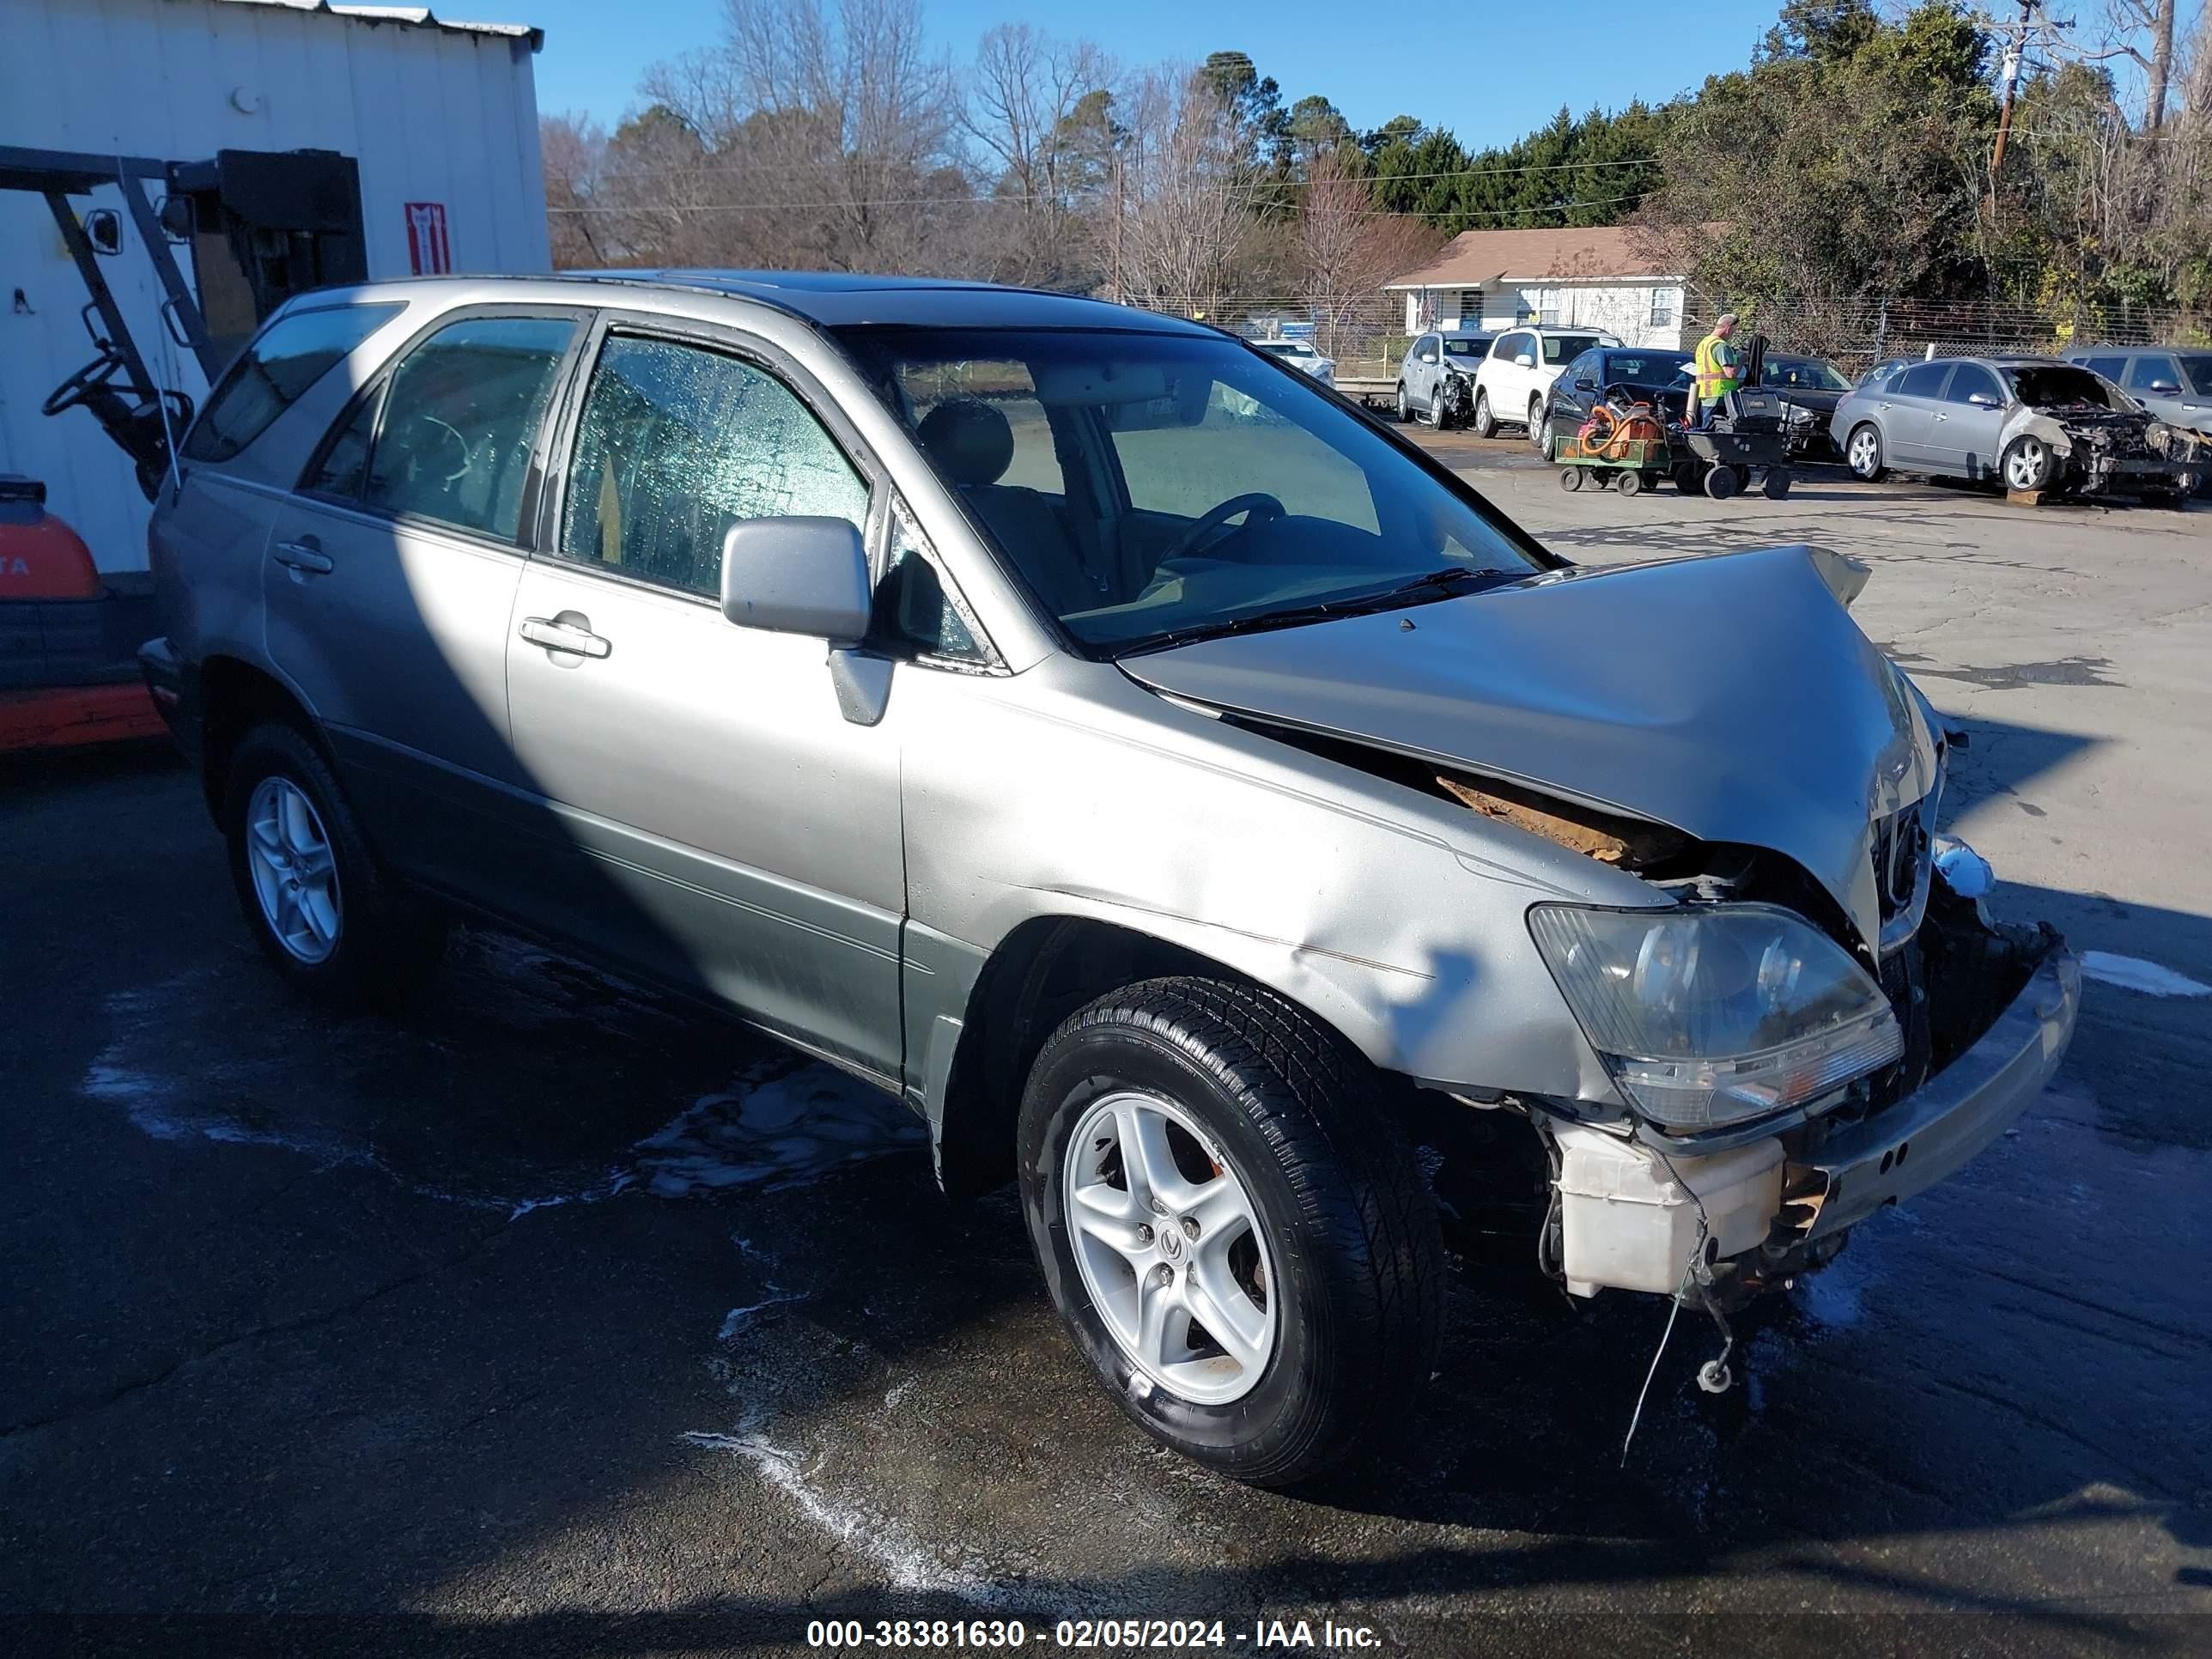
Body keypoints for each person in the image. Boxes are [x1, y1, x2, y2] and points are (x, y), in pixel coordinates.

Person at [1689, 313, 1745, 428]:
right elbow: (1731, 373)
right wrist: (1743, 360)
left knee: (1706, 430)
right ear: (1728, 328)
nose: (1732, 335)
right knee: (1719, 433)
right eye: (1733, 332)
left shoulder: (1704, 344)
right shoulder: (1721, 346)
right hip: (1721, 396)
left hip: (1706, 395)